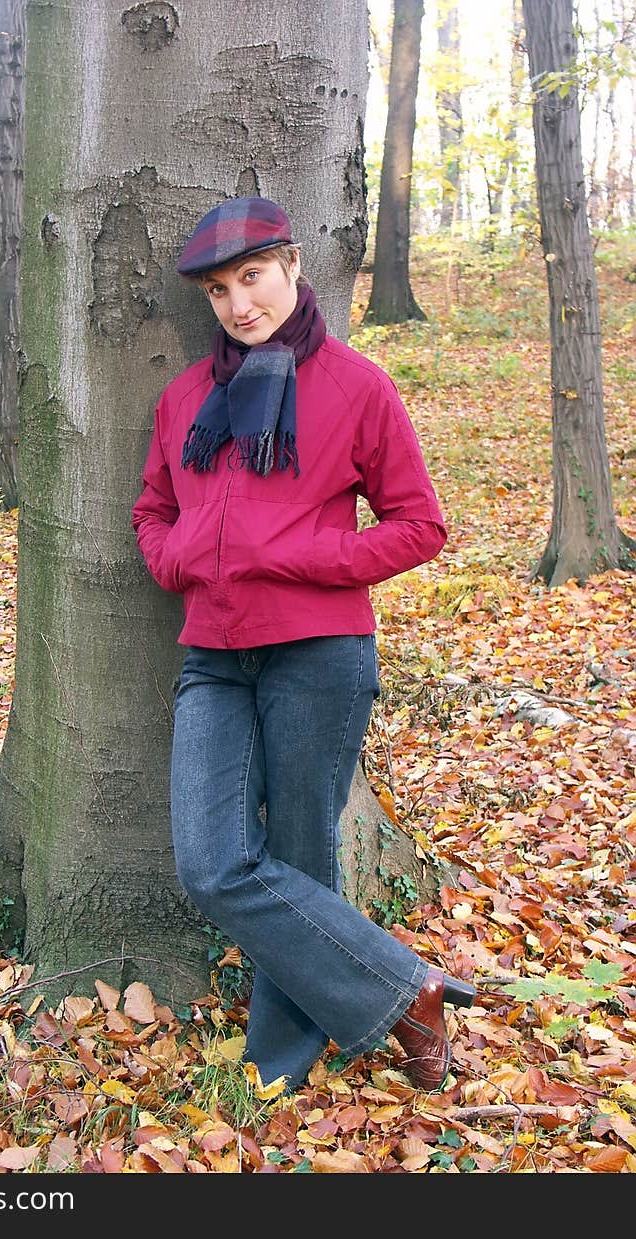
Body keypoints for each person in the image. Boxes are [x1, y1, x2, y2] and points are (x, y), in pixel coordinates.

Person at [131, 196, 474, 1095]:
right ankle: (411, 987)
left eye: (251, 278)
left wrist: (303, 556)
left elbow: (419, 525)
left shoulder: (358, 387)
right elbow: (154, 508)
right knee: (211, 862)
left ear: (291, 267)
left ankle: (280, 1060)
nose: (239, 304)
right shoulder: (185, 400)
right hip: (214, 651)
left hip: (319, 650)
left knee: (301, 858)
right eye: (218, 291)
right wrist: (176, 559)